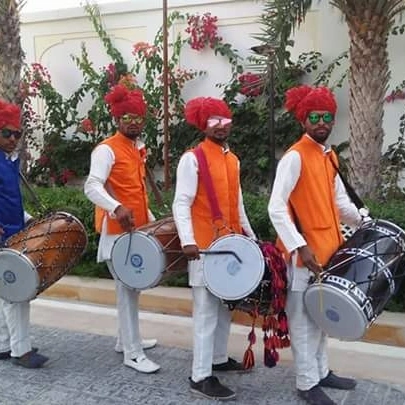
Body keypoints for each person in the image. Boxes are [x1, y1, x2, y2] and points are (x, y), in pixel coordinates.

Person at [268, 85, 365, 405]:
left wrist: (365, 221)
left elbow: (340, 204)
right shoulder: (294, 156)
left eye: (326, 117)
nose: (321, 122)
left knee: (321, 318)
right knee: (302, 322)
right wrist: (299, 246)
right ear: (303, 120)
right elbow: (276, 207)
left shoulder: (329, 156)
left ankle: (322, 372)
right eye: (314, 117)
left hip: (329, 252)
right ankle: (307, 382)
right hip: (303, 258)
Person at [172, 96, 257, 401]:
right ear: (203, 124)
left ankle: (218, 359)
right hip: (204, 249)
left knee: (223, 310)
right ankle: (200, 376)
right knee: (206, 314)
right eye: (213, 121)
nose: (221, 126)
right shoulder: (192, 159)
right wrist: (188, 240)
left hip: (230, 247)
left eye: (224, 120)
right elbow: (181, 202)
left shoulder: (233, 160)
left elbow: (238, 204)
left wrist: (252, 237)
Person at [84, 84, 159, 374]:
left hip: (136, 231)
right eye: (127, 117)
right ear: (117, 119)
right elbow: (92, 186)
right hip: (116, 233)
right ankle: (133, 352)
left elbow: (137, 191)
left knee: (131, 288)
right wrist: (116, 207)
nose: (133, 122)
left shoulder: (135, 148)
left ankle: (125, 339)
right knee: (128, 290)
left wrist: (151, 219)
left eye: (138, 117)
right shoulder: (106, 149)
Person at [0, 99, 49, 368]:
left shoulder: (9, 162)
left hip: (12, 234)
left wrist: (29, 219)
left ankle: (4, 344)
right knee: (16, 291)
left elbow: (10, 201)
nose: (12, 139)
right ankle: (21, 351)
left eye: (16, 134)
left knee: (4, 290)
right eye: (6, 133)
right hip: (4, 237)